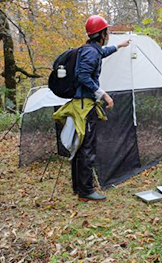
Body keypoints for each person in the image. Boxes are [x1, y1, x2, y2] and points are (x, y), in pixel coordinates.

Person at [54, 15, 130, 201]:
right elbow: (83, 76)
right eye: (106, 31)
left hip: (81, 104)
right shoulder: (91, 53)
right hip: (85, 107)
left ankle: (78, 187)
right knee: (86, 148)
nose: (108, 34)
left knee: (79, 146)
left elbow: (101, 53)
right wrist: (104, 94)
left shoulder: (91, 50)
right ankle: (86, 191)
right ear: (101, 34)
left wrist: (119, 46)